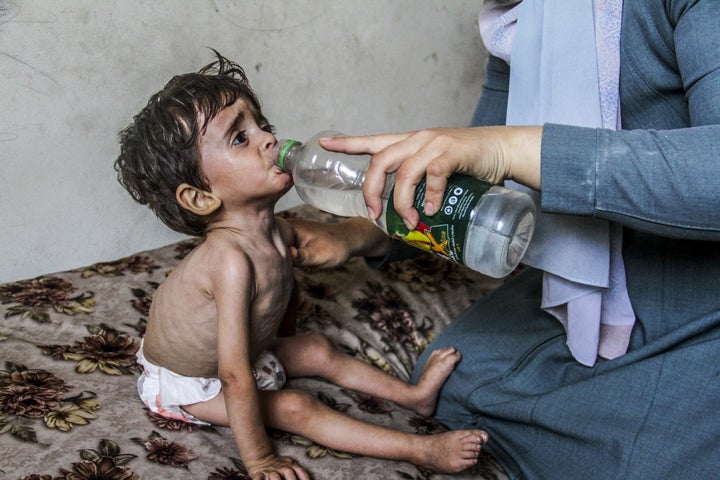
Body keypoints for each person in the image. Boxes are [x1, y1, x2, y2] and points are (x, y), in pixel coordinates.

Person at [288, 1, 720, 478]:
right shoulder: (521, 20)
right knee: (456, 380)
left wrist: (509, 146)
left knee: (642, 455)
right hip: (592, 276)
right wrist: (356, 235)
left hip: (696, 294)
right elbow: (471, 187)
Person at [113, 52, 488, 480]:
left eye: (261, 125)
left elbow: (280, 294)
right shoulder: (229, 261)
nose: (269, 140)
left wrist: (282, 347)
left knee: (317, 349)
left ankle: (415, 396)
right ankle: (423, 450)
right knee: (296, 406)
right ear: (201, 198)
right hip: (195, 382)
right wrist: (260, 461)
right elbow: (234, 375)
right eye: (240, 138)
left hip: (244, 357)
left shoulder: (281, 230)